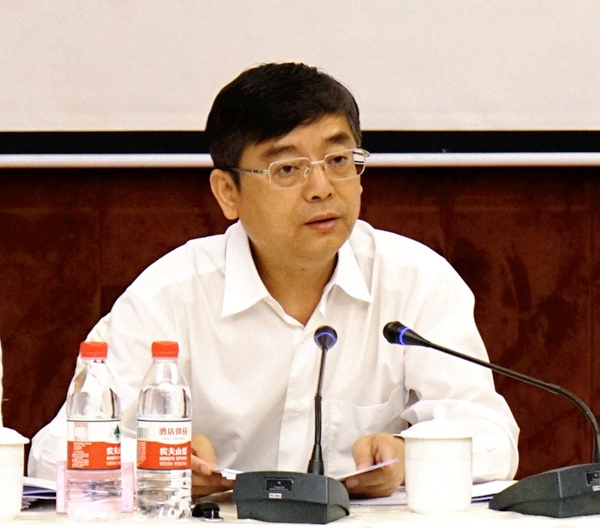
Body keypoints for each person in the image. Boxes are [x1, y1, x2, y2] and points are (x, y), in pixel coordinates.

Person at [29, 62, 519, 498]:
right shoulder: (170, 296)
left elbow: (493, 437)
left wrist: (410, 457)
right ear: (228, 192)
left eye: (338, 161)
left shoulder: (416, 281)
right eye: (287, 169)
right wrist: (158, 462)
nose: (322, 188)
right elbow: (53, 455)